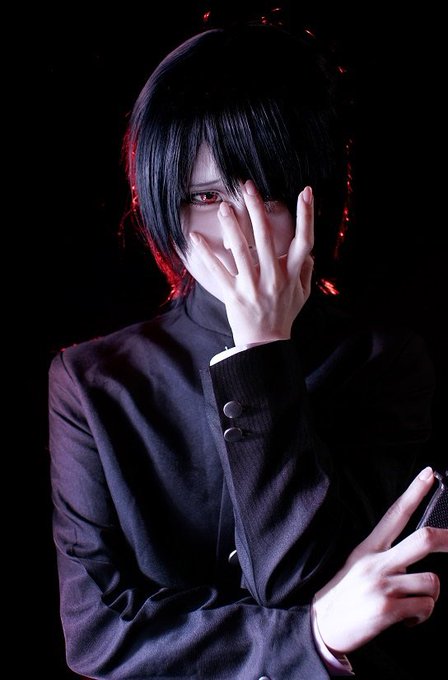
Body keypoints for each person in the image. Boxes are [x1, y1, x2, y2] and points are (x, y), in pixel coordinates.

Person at [48, 21, 447, 679]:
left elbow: (297, 581)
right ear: (165, 206)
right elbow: (99, 635)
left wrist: (261, 350)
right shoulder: (93, 384)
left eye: (269, 193)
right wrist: (312, 634)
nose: (241, 228)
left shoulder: (385, 364)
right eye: (206, 197)